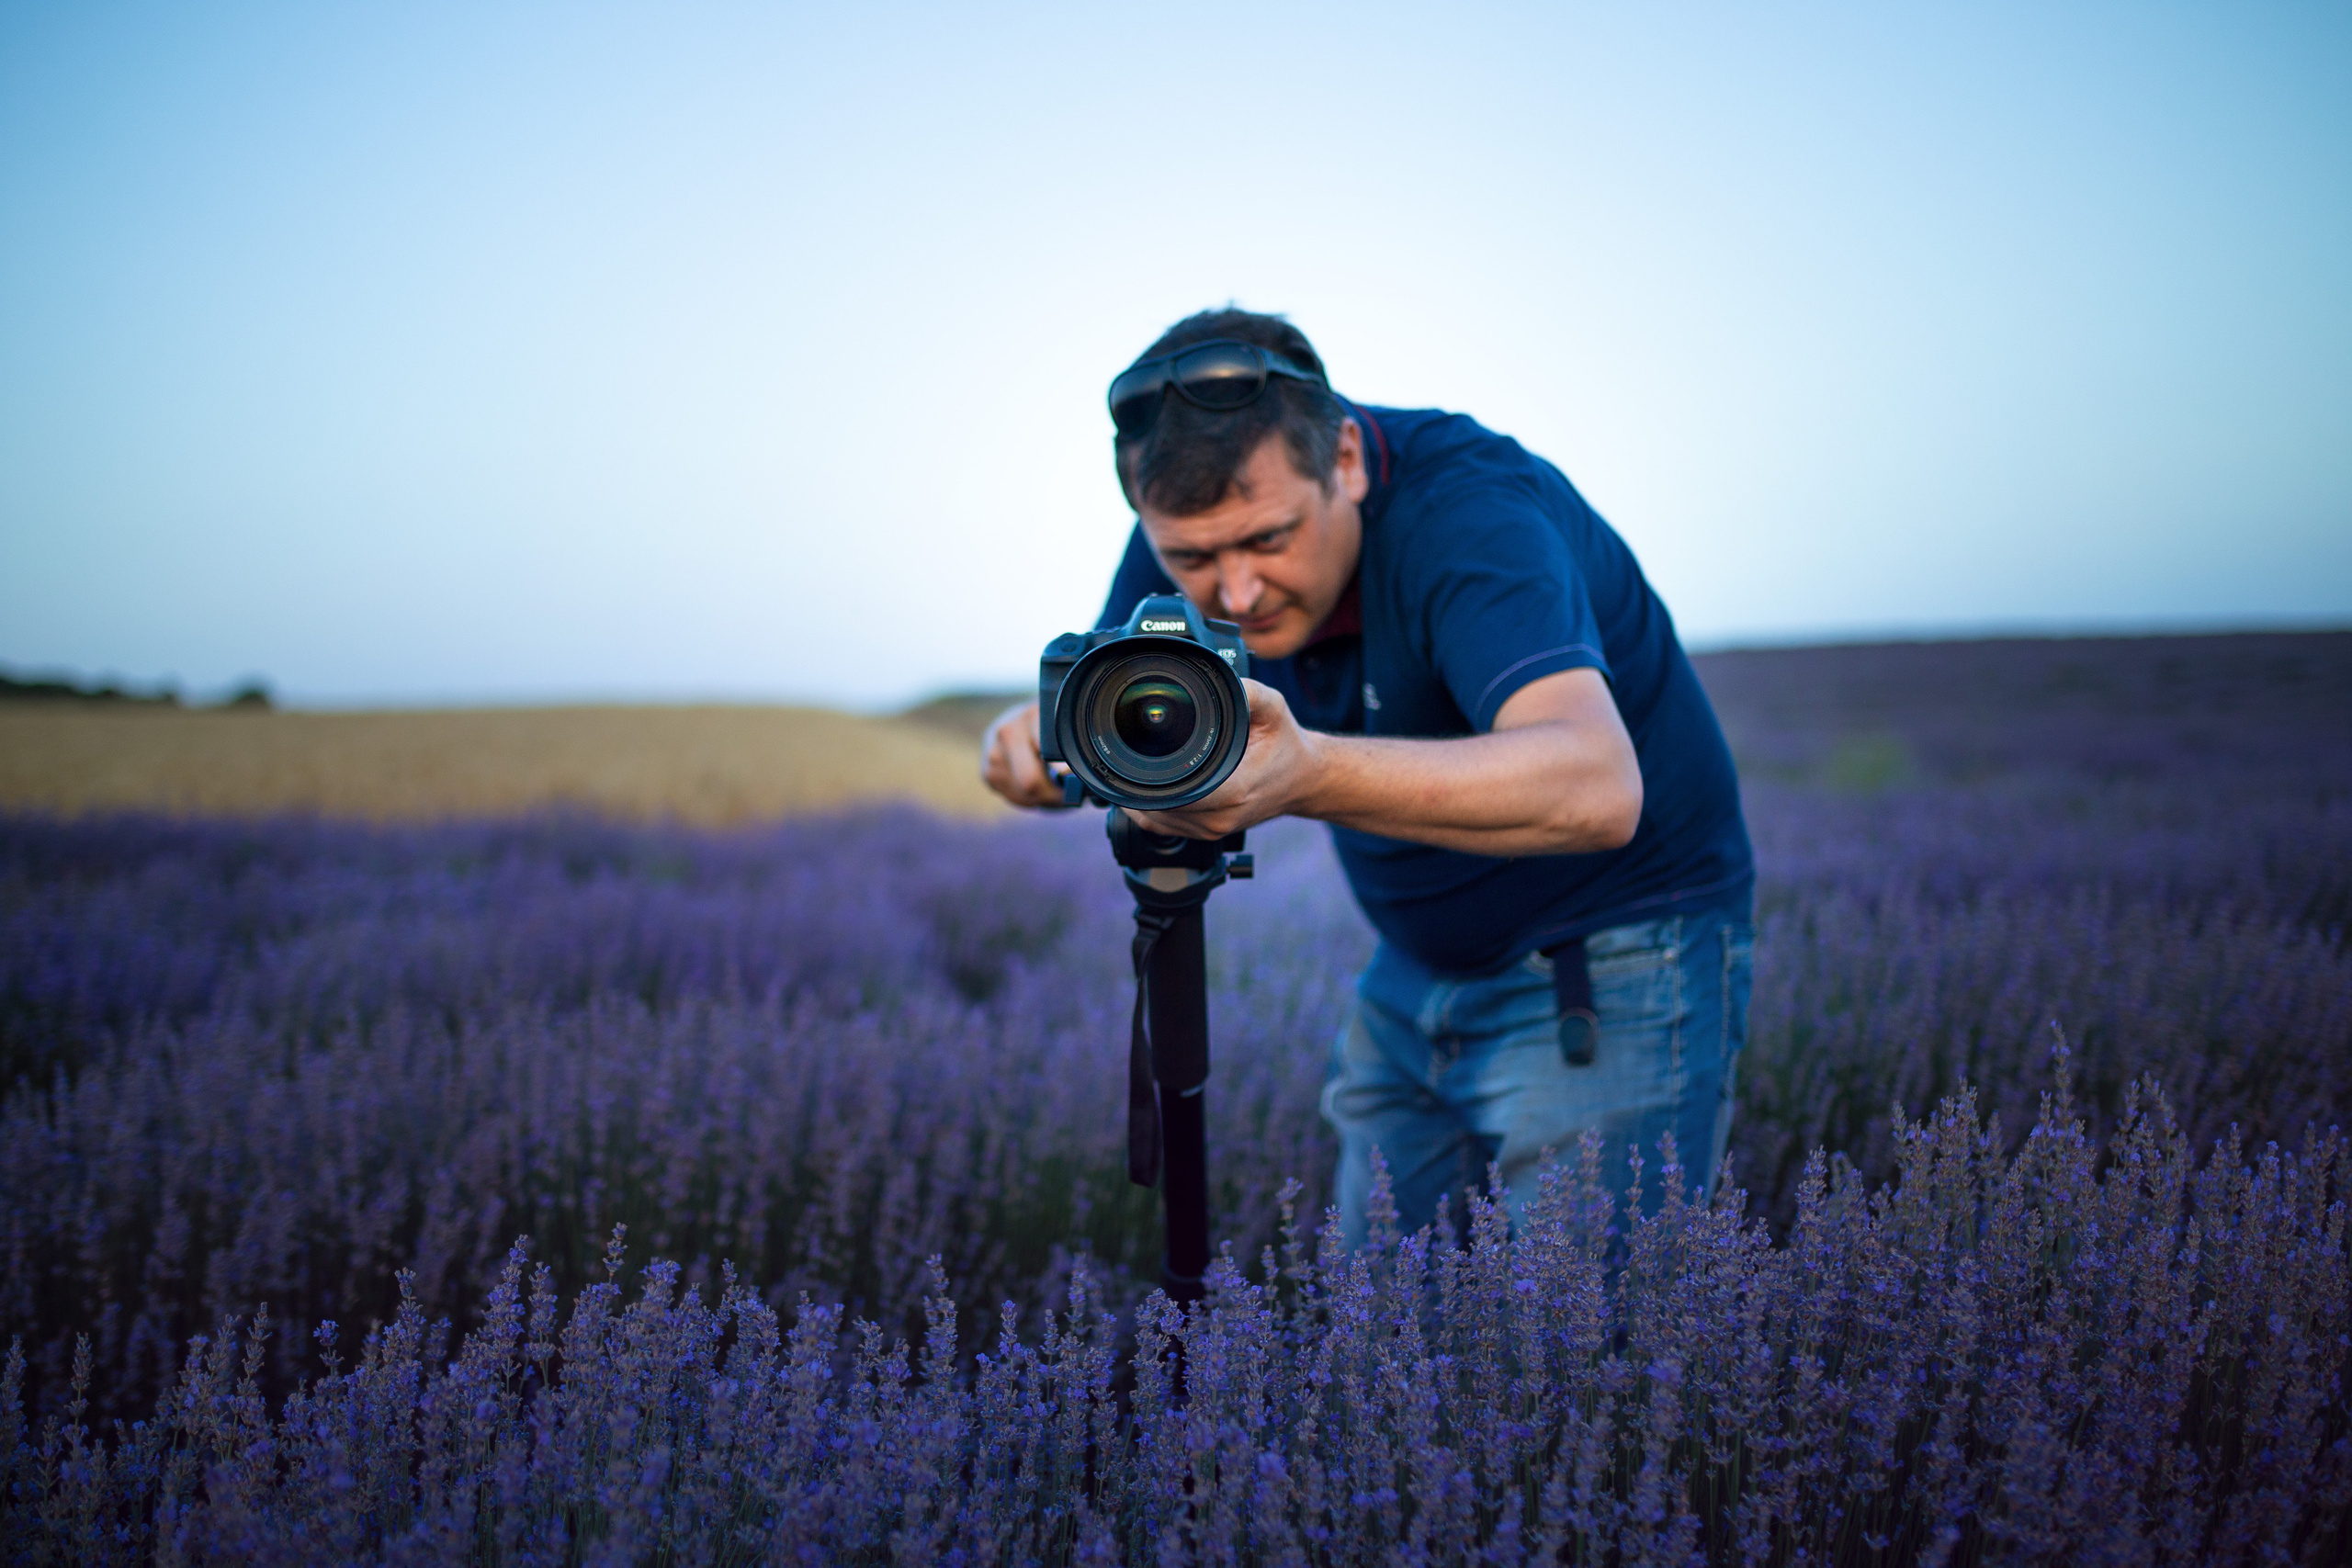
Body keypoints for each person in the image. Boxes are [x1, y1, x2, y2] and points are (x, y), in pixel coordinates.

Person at [982, 308, 1754, 1247]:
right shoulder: (1193, 522)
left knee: (1574, 1356)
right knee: (1382, 1340)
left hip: (1613, 952)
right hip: (1410, 968)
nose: (1233, 592)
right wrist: (1033, 747)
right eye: (1190, 558)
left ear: (1344, 458)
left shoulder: (1468, 514)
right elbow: (1120, 720)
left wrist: (1303, 773)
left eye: (1269, 540)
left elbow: (1594, 787)